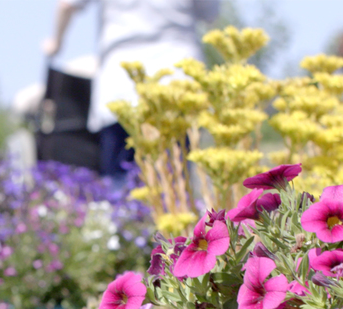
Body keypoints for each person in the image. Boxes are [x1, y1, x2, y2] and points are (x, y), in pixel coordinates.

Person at [42, 0, 220, 178]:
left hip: (121, 83)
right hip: (178, 79)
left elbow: (67, 4)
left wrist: (56, 42)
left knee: (120, 181)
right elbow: (210, 14)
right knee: (175, 177)